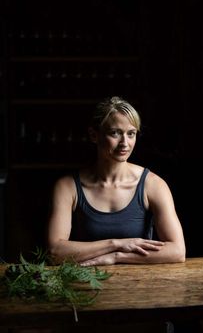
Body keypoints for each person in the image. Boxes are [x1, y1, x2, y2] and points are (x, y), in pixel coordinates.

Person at [47, 96, 186, 266]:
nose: (124, 143)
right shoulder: (67, 187)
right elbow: (55, 252)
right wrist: (117, 244)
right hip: (83, 286)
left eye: (131, 134)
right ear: (94, 135)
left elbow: (177, 251)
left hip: (140, 286)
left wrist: (116, 257)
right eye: (115, 133)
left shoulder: (153, 185)